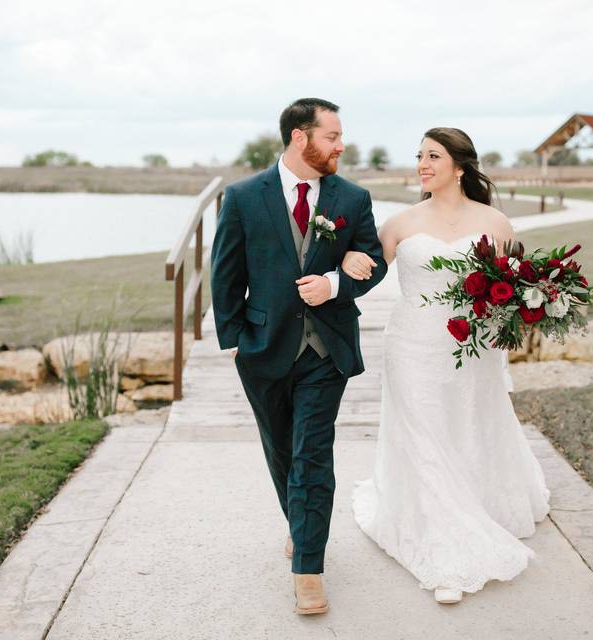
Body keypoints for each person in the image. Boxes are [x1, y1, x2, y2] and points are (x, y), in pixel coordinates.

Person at [344, 127, 551, 605]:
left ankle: (475, 504)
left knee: (466, 426)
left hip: (472, 350)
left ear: (459, 166)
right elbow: (365, 276)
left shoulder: (495, 222)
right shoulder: (398, 224)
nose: (422, 164)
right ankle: (444, 549)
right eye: (419, 155)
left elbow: (510, 289)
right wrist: (349, 261)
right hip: (412, 347)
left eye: (433, 156)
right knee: (422, 437)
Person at [210, 98, 387, 615]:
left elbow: (372, 262)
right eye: (331, 136)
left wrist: (335, 282)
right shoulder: (243, 197)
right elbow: (225, 274)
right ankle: (300, 521)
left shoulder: (352, 197)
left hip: (326, 348)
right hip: (264, 347)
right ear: (299, 138)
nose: (341, 145)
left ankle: (308, 568)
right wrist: (238, 340)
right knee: (281, 448)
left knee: (312, 453)